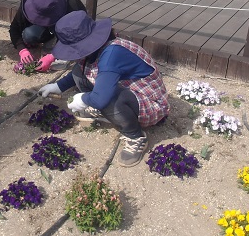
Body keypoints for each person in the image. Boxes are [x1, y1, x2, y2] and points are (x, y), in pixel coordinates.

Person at [38, 11, 169, 167]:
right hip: (130, 92)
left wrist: (83, 99)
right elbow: (80, 70)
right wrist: (58, 86)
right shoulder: (99, 49)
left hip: (151, 103)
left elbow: (101, 97)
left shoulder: (112, 55)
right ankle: (111, 112)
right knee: (80, 71)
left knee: (108, 97)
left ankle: (136, 136)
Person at [9, 0, 86, 72]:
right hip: (49, 25)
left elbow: (79, 35)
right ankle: (51, 37)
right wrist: (22, 50)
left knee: (67, 47)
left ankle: (57, 38)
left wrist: (53, 56)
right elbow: (14, 28)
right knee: (29, 35)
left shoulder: (74, 7)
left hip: (64, 25)